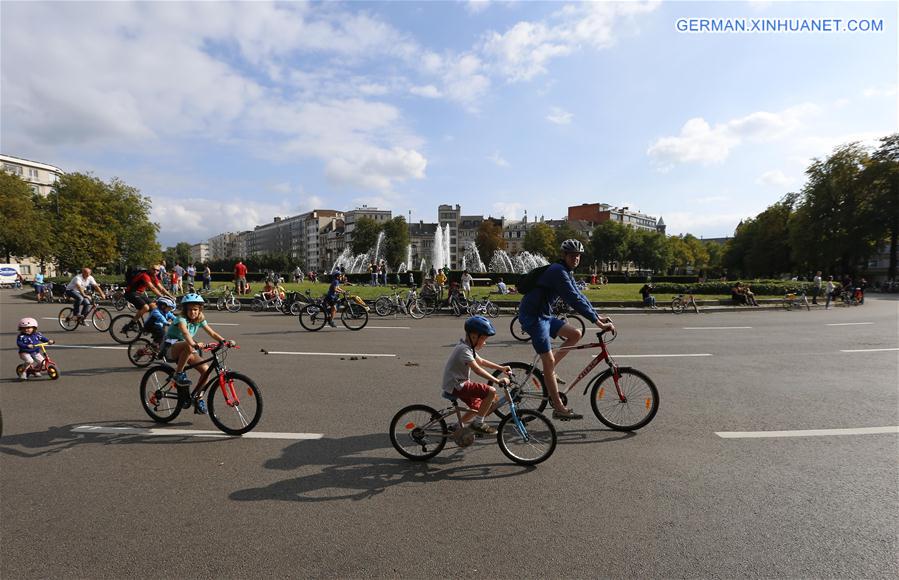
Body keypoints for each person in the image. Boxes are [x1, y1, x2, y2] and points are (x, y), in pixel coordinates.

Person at [517, 239, 614, 420]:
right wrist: (598, 323)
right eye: (572, 255)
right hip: (533, 317)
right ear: (564, 256)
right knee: (547, 359)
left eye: (578, 255)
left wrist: (597, 315)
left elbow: (579, 295)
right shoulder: (557, 271)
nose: (575, 258)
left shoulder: (566, 271)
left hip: (544, 316)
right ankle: (559, 407)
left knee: (575, 334)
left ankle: (550, 369)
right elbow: (573, 299)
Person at [442, 316, 511, 435]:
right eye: (483, 339)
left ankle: (456, 426)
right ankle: (478, 423)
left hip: (456, 384)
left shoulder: (467, 347)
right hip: (457, 385)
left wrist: (501, 368)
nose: (485, 342)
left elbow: (482, 362)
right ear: (474, 336)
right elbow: (478, 370)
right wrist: (497, 381)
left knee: (478, 406)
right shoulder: (464, 350)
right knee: (491, 391)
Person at [166, 294, 233, 413]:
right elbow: (186, 333)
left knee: (206, 371)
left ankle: (198, 398)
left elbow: (212, 333)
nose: (193, 312)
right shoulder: (181, 319)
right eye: (190, 309)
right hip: (170, 348)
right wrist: (194, 344)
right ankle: (178, 374)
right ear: (185, 310)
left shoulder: (200, 319)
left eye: (195, 309)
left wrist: (224, 341)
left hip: (187, 350)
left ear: (199, 310)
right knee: (188, 344)